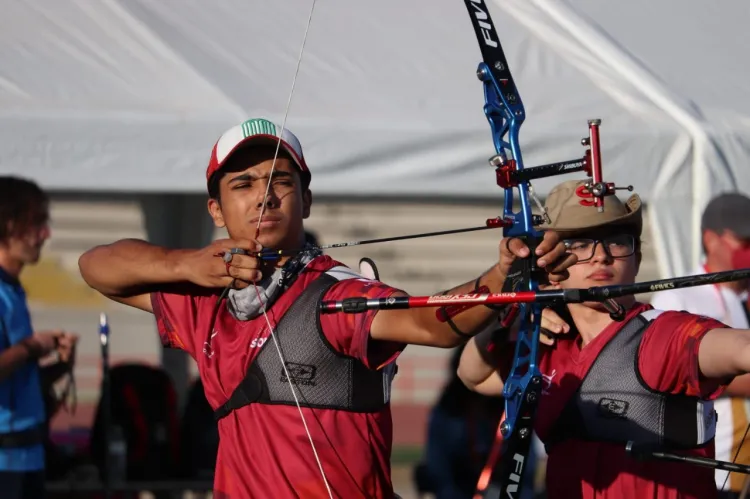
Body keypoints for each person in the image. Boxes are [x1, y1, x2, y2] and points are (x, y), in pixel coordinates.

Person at [77, 117, 575, 499]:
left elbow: (434, 324)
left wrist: (502, 277)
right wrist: (185, 263)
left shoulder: (337, 293)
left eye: (281, 181)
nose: (263, 197)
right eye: (243, 184)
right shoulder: (205, 300)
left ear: (307, 199)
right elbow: (96, 267)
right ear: (216, 209)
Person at [457, 179, 750, 499]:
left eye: (618, 242)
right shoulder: (546, 342)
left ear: (636, 259)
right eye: (580, 245)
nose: (602, 257)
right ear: (546, 264)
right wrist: (509, 309)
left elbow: (739, 349)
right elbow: (474, 375)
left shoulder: (663, 336)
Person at [651, 192, 750, 497]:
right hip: (712, 466)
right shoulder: (678, 296)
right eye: (744, 242)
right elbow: (668, 376)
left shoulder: (743, 296)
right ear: (711, 239)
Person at [0, 176, 79, 499]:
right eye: (37, 223)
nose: (45, 234)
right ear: (9, 223)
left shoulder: (13, 290)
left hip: (28, 457)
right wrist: (33, 347)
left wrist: (58, 367)